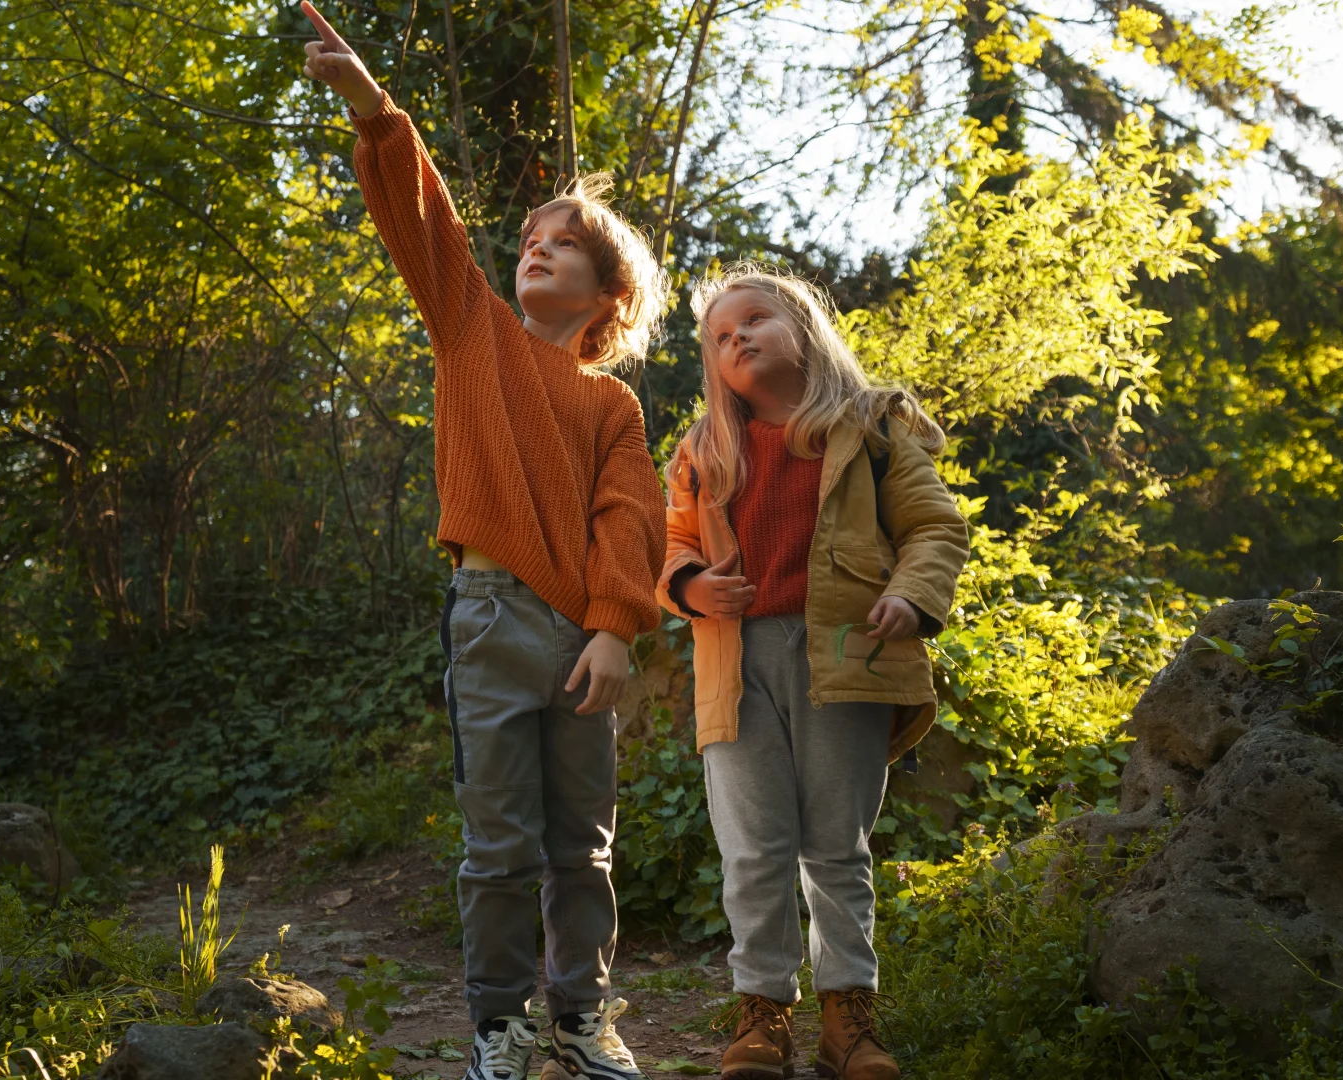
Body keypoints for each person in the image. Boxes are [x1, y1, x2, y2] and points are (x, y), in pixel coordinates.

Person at [298, 8, 669, 1080]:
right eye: (530, 241)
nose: (536, 248)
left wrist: (612, 631)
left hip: (578, 640)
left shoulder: (612, 408)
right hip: (490, 616)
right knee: (499, 849)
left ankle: (582, 1015)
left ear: (608, 296)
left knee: (582, 853)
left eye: (566, 245)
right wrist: (374, 110)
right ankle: (501, 1024)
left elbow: (629, 522)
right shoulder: (470, 332)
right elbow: (429, 225)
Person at [658, 267, 970, 1080]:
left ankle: (849, 1022)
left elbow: (936, 526)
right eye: (722, 338)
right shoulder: (703, 451)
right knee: (752, 850)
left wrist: (911, 595)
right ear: (713, 365)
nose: (740, 340)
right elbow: (669, 546)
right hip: (735, 663)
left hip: (849, 658)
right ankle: (762, 1017)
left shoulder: (871, 430)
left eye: (755, 320)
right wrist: (689, 585)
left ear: (801, 325)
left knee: (836, 846)